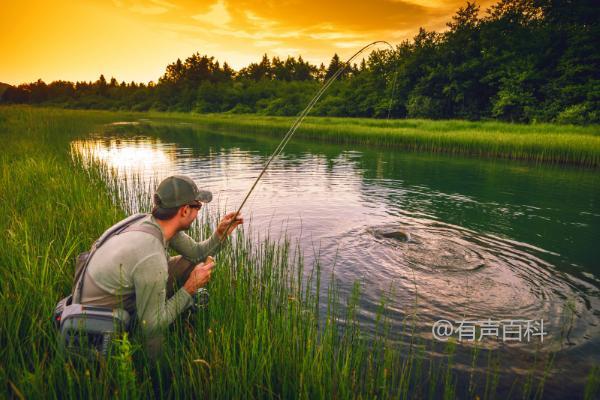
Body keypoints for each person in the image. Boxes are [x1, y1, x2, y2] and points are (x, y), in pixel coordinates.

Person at [77, 175, 243, 354]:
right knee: (154, 331)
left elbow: (196, 254)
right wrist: (190, 287)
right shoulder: (151, 255)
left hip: (111, 293)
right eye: (198, 207)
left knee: (189, 262)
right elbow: (151, 326)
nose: (198, 212)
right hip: (103, 318)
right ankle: (156, 373)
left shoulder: (150, 222)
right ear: (185, 210)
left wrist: (220, 234)